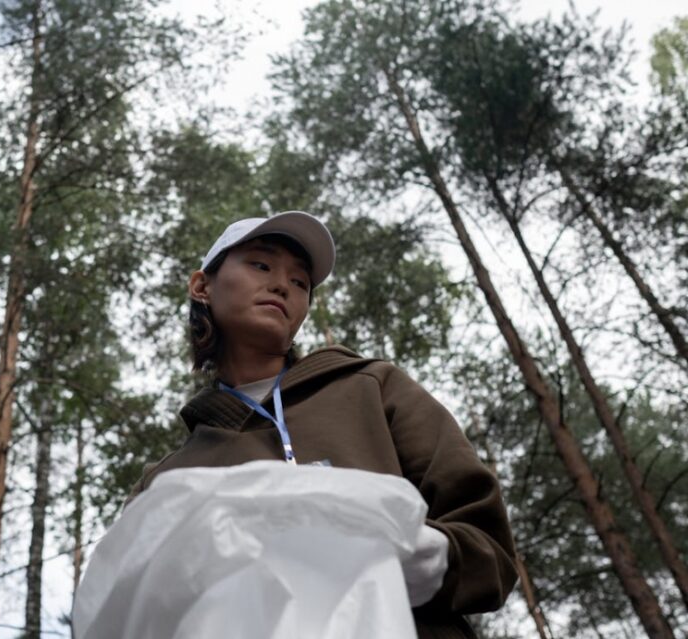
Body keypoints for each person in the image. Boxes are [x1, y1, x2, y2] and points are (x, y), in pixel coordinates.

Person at [124, 211, 517, 639]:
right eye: (261, 264)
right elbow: (132, 614)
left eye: (300, 282)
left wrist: (402, 555)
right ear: (202, 286)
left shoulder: (370, 386)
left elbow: (489, 550)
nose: (282, 285)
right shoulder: (164, 482)